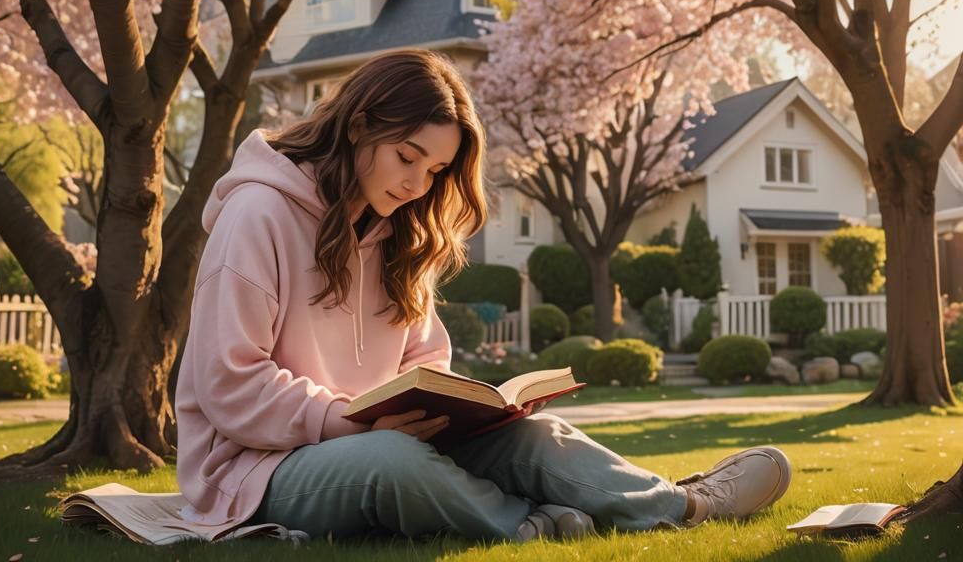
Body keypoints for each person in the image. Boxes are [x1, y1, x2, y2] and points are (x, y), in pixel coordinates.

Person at [175, 48, 792, 543]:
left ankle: (684, 504)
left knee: (535, 436)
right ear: (359, 125)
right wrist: (343, 422)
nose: (418, 184)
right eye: (406, 157)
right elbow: (230, 382)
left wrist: (458, 409)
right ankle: (528, 523)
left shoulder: (398, 233)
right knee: (393, 461)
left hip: (381, 435)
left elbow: (422, 357)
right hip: (258, 472)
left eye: (436, 171)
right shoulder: (257, 214)